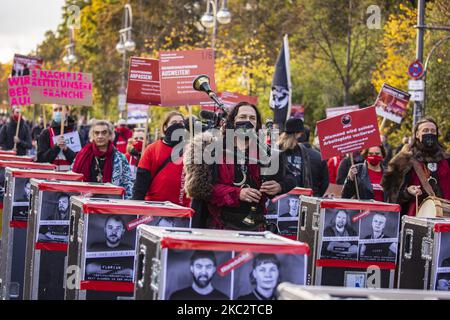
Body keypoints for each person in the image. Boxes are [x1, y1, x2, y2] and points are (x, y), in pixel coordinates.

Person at [196, 102, 293, 230]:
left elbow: (291, 178)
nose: (247, 121)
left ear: (257, 125)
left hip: (256, 227)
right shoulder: (215, 149)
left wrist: (280, 186)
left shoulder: (267, 152)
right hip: (221, 226)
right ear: (233, 121)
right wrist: (238, 193)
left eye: (252, 118)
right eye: (242, 117)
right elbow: (204, 188)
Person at [382, 118, 450, 216]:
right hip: (414, 218)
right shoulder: (404, 159)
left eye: (433, 131)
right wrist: (407, 192)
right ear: (417, 134)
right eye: (425, 131)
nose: (429, 133)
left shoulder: (446, 159)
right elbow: (390, 193)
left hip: (445, 217)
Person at [132, 112, 190, 206]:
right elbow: (140, 184)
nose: (178, 125)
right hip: (155, 207)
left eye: (181, 123)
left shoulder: (190, 150)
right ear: (165, 127)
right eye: (174, 122)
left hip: (182, 210)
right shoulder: (152, 149)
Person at [72, 120, 133, 199]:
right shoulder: (82, 155)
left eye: (104, 133)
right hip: (84, 201)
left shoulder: (120, 158)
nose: (100, 136)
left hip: (110, 204)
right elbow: (73, 178)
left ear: (110, 135)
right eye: (97, 133)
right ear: (92, 136)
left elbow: (127, 184)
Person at [37, 105, 79, 171]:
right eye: (55, 110)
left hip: (70, 178)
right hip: (50, 178)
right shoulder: (45, 133)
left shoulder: (75, 134)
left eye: (61, 109)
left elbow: (79, 161)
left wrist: (66, 149)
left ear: (67, 112)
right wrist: (56, 147)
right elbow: (40, 159)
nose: (58, 112)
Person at [277, 118, 313, 191]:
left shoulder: (302, 150)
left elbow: (307, 175)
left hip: (299, 194)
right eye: (300, 133)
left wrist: (308, 191)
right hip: (282, 194)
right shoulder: (277, 149)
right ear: (297, 133)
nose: (301, 135)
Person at [298, 124, 329, 196]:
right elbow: (325, 182)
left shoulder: (291, 154)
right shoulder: (320, 157)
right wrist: (317, 194)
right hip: (313, 197)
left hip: (294, 198)